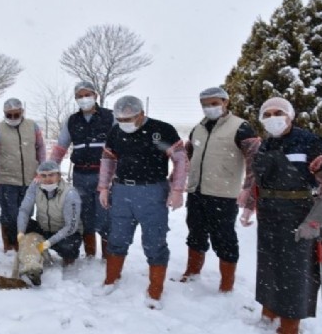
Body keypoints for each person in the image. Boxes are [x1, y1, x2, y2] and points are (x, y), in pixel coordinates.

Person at [241, 97, 322, 334]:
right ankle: (268, 314)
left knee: (294, 273)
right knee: (269, 266)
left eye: (279, 112)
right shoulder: (263, 145)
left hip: (299, 216)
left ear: (290, 115)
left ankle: (289, 326)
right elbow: (258, 182)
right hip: (269, 216)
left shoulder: (310, 142)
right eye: (267, 114)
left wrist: (313, 222)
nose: (273, 118)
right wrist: (249, 207)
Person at [93, 95, 189, 310]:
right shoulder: (116, 132)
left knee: (154, 242)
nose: (124, 123)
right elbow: (108, 160)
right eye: (120, 119)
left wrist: (177, 190)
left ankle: (155, 289)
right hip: (122, 191)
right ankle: (111, 278)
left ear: (141, 114)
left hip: (152, 191)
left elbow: (180, 159)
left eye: (129, 119)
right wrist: (103, 187)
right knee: (117, 237)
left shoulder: (160, 132)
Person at [180, 87, 260, 292]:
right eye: (205, 104)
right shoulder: (198, 128)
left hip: (223, 194)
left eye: (214, 103)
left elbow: (254, 161)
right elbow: (187, 156)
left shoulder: (241, 127)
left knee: (224, 238)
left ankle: (226, 283)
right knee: (195, 232)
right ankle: (192, 271)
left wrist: (248, 189)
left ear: (225, 102)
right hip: (196, 192)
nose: (209, 107)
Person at [50, 81, 114, 259]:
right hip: (80, 176)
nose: (84, 99)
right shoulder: (72, 121)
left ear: (95, 96)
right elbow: (60, 147)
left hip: (104, 176)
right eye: (80, 96)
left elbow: (122, 144)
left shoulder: (110, 117)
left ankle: (107, 258)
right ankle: (90, 255)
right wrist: (49, 169)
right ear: (76, 98)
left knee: (105, 217)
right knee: (85, 218)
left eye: (87, 95)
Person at [0, 98, 46, 252]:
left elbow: (41, 148)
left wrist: (42, 170)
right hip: (7, 180)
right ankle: (8, 243)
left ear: (22, 112)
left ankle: (21, 241)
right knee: (9, 214)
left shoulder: (33, 127)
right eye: (9, 115)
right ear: (4, 113)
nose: (12, 118)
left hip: (30, 179)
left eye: (16, 114)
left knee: (26, 212)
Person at [17, 160, 83, 270]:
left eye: (51, 175)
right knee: (15, 223)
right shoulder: (35, 187)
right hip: (43, 228)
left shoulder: (70, 194)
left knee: (68, 247)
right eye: (43, 175)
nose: (47, 179)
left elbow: (71, 227)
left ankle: (69, 266)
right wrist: (21, 232)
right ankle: (31, 256)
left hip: (65, 232)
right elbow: (24, 210)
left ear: (59, 176)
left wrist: (48, 243)